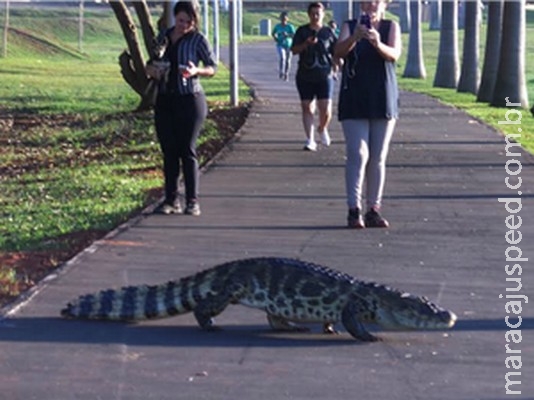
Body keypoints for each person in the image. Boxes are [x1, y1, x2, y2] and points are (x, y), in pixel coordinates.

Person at [146, 1, 217, 216]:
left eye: (188, 22)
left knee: (187, 149)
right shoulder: (164, 37)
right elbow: (150, 64)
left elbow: (212, 68)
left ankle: (192, 201)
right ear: (174, 18)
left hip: (190, 100)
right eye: (180, 21)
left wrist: (197, 71)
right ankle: (170, 199)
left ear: (194, 21)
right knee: (169, 150)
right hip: (166, 99)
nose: (183, 25)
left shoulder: (198, 39)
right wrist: (153, 71)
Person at [334, 0, 401, 228]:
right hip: (354, 96)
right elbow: (338, 52)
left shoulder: (391, 27)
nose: (371, 5)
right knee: (357, 153)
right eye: (367, 1)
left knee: (378, 156)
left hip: (382, 96)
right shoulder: (350, 26)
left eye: (376, 1)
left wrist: (377, 43)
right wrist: (355, 38)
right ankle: (354, 209)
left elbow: (394, 54)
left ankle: (374, 208)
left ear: (384, 4)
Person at [291, 2, 338, 151]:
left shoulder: (328, 32)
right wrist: (305, 44)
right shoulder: (302, 31)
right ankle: (310, 139)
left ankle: (322, 128)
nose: (315, 16)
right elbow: (294, 50)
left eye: (318, 13)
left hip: (325, 75)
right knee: (307, 107)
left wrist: (338, 63)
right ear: (308, 14)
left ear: (323, 14)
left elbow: (337, 51)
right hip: (305, 74)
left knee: (326, 109)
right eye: (312, 13)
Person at [271, 11, 296, 81]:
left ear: (287, 19)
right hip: (280, 44)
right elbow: (273, 33)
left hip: (289, 45)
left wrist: (287, 35)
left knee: (288, 60)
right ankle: (281, 71)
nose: (283, 21)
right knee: (283, 57)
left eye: (285, 19)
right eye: (282, 19)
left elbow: (294, 35)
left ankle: (286, 73)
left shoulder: (290, 27)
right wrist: (275, 38)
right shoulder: (277, 26)